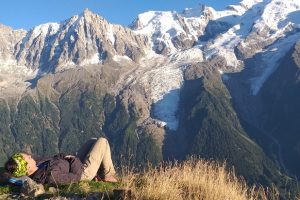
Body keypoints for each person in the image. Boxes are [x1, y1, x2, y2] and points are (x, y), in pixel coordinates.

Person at [4, 137, 117, 185]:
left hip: (73, 162)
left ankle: (100, 175)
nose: (30, 155)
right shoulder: (50, 176)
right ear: (27, 168)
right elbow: (75, 177)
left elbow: (55, 158)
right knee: (102, 141)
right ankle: (108, 175)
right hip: (82, 172)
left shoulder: (38, 164)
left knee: (93, 141)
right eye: (28, 158)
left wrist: (65, 156)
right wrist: (73, 160)